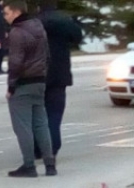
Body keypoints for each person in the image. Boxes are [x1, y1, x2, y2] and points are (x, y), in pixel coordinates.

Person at [3, 0, 56, 177]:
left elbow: (15, 62)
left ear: (16, 12)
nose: (5, 17)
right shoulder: (38, 26)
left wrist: (11, 86)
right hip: (40, 81)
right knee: (41, 124)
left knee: (22, 126)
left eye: (7, 13)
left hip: (23, 84)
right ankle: (50, 164)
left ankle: (29, 165)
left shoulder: (17, 32)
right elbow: (47, 55)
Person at [33, 0, 84, 159]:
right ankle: (52, 147)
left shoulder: (34, 22)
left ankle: (37, 148)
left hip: (36, 74)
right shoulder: (64, 21)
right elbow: (77, 37)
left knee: (36, 113)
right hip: (59, 74)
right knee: (54, 114)